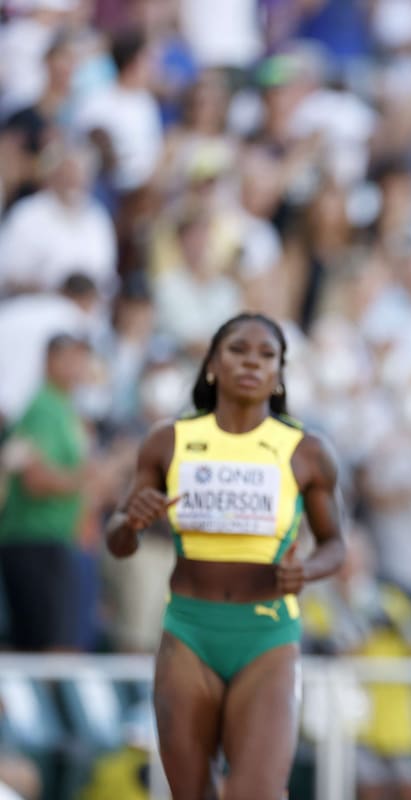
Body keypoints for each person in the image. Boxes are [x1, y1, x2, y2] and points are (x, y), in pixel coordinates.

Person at [104, 312, 345, 800]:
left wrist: (307, 571)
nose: (252, 362)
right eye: (238, 350)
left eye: (266, 355)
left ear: (280, 373)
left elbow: (335, 544)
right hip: (189, 632)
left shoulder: (305, 451)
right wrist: (130, 523)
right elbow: (117, 540)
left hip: (267, 634)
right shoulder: (168, 440)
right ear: (212, 364)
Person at [0, 333, 93, 652]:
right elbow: (36, 480)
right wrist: (86, 480)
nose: (79, 367)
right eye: (71, 358)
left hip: (50, 540)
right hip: (35, 541)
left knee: (52, 643)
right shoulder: (44, 409)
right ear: (50, 361)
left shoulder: (62, 407)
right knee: (49, 649)